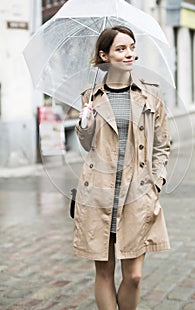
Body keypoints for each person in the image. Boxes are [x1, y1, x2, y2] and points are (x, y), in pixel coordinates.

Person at [73, 25, 170, 310]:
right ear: (105, 56)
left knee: (134, 276)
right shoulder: (90, 96)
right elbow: (87, 144)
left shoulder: (151, 93)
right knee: (104, 272)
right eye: (120, 49)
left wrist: (156, 182)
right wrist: (84, 124)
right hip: (99, 194)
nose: (129, 54)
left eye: (131, 47)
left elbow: (162, 145)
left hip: (137, 195)